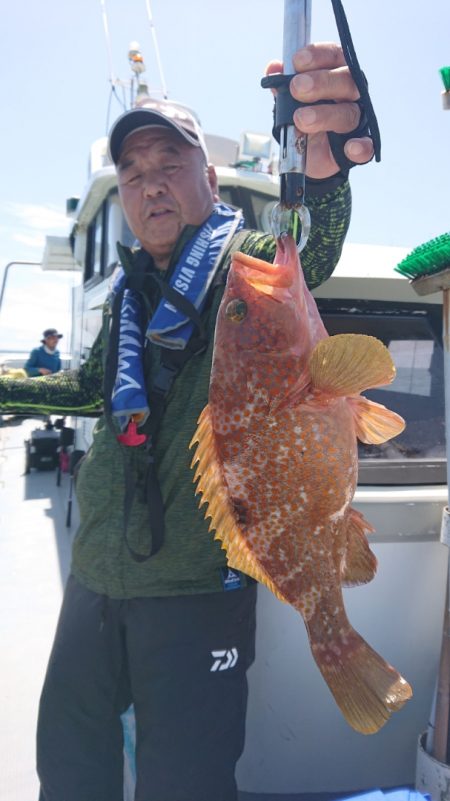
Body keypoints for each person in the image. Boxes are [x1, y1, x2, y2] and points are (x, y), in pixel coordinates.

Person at [0, 42, 375, 801]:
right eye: (132, 174)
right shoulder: (130, 294)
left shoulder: (250, 267)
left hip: (194, 596)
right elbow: (85, 388)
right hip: (98, 581)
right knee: (69, 771)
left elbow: (312, 244)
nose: (150, 186)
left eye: (169, 163)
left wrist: (327, 161)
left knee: (186, 785)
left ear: (209, 177)